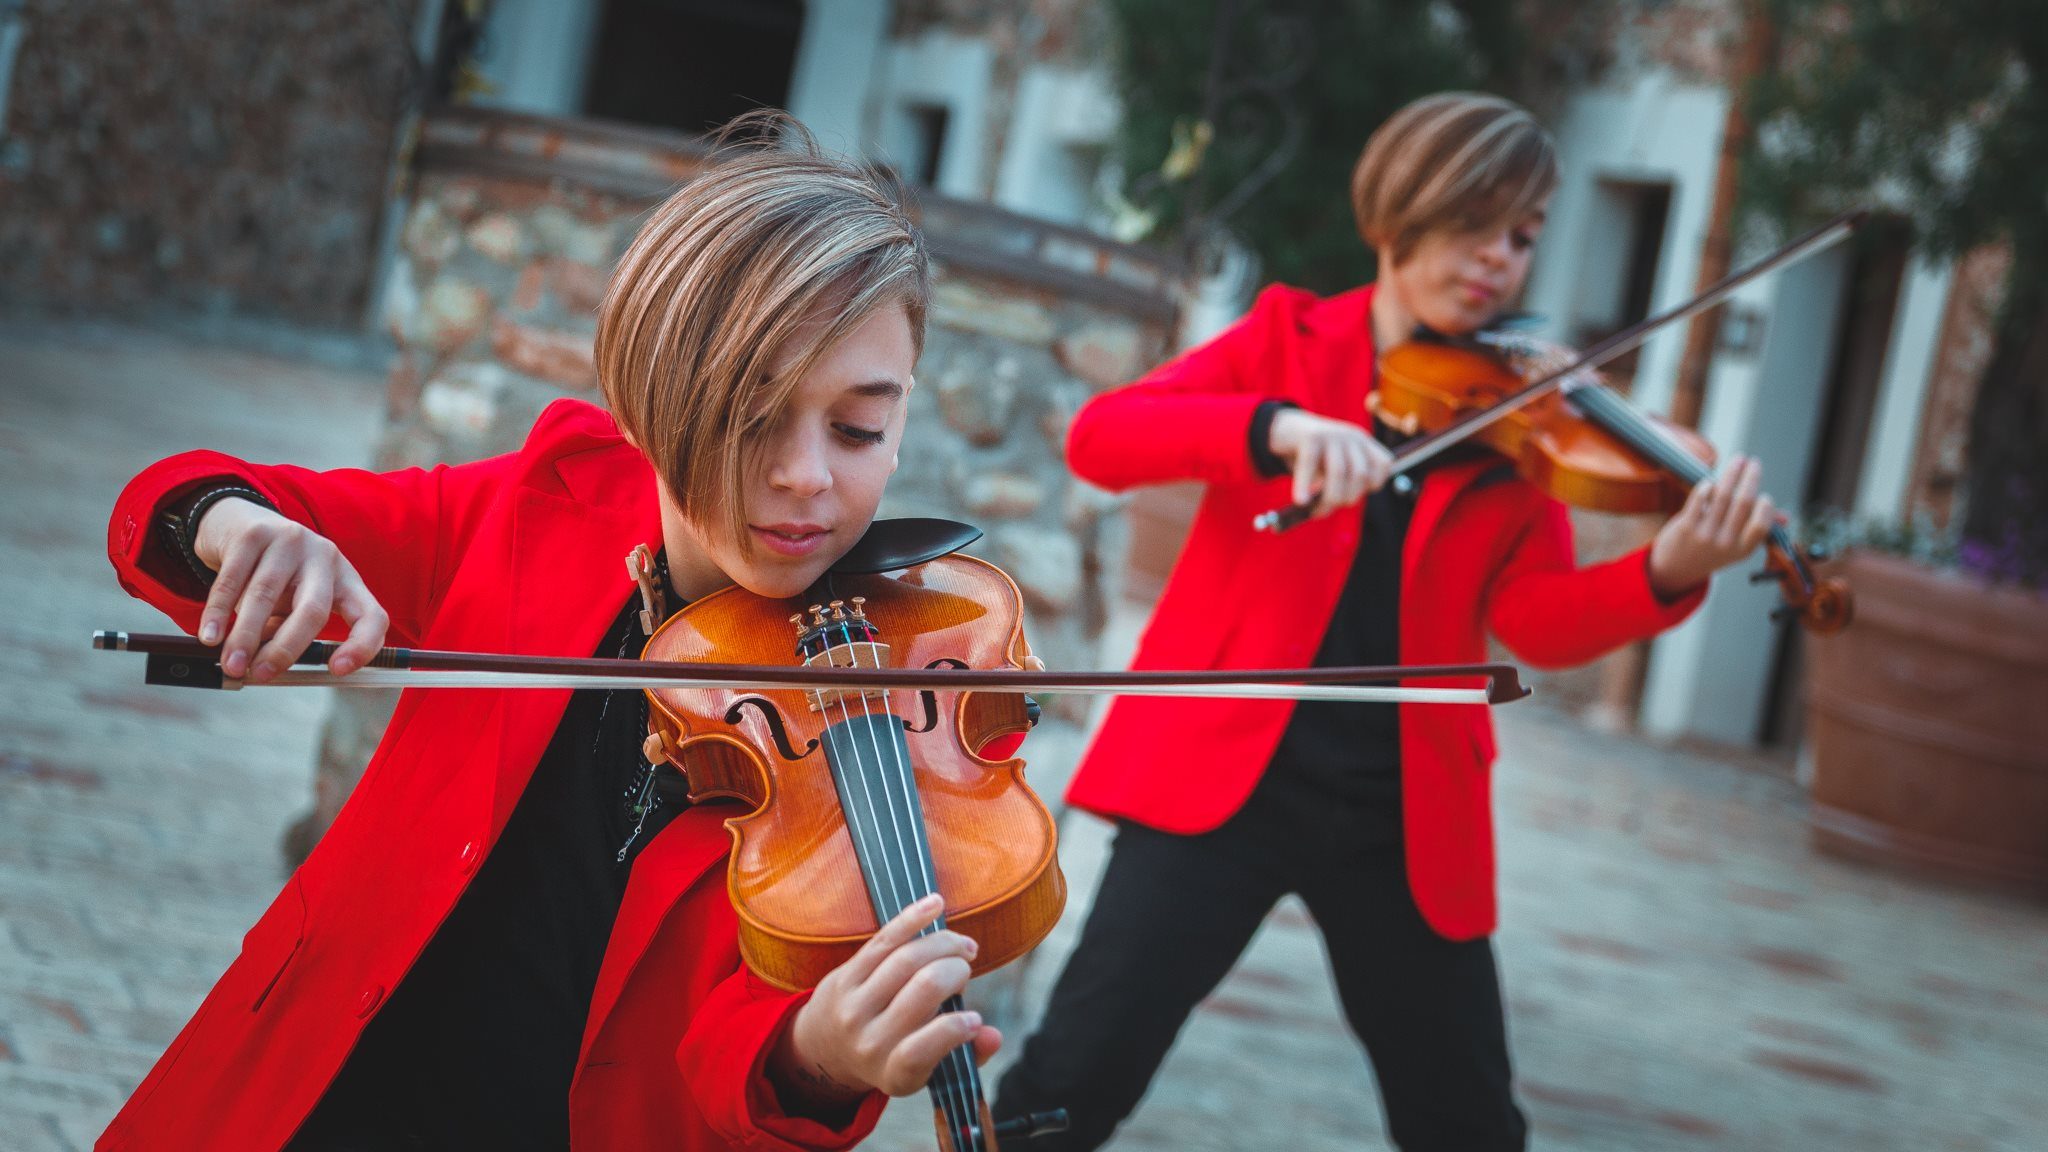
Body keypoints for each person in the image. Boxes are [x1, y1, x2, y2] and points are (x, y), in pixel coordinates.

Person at [97, 116, 1005, 1152]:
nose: (806, 477)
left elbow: (735, 1051)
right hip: (320, 1096)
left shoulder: (886, 705)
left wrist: (818, 1055)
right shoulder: (540, 506)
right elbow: (173, 500)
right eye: (754, 418)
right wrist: (241, 528)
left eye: (857, 429)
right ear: (660, 395)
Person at [994, 91, 1779, 1151]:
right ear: (1401, 213)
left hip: (1402, 809)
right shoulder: (1283, 339)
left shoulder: (1518, 419)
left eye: (1520, 236)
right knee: (1072, 1084)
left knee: (1464, 1123)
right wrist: (1271, 430)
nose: (1496, 258)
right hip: (1218, 776)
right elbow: (1102, 437)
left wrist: (1671, 564)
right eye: (1474, 222)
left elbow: (1536, 623)